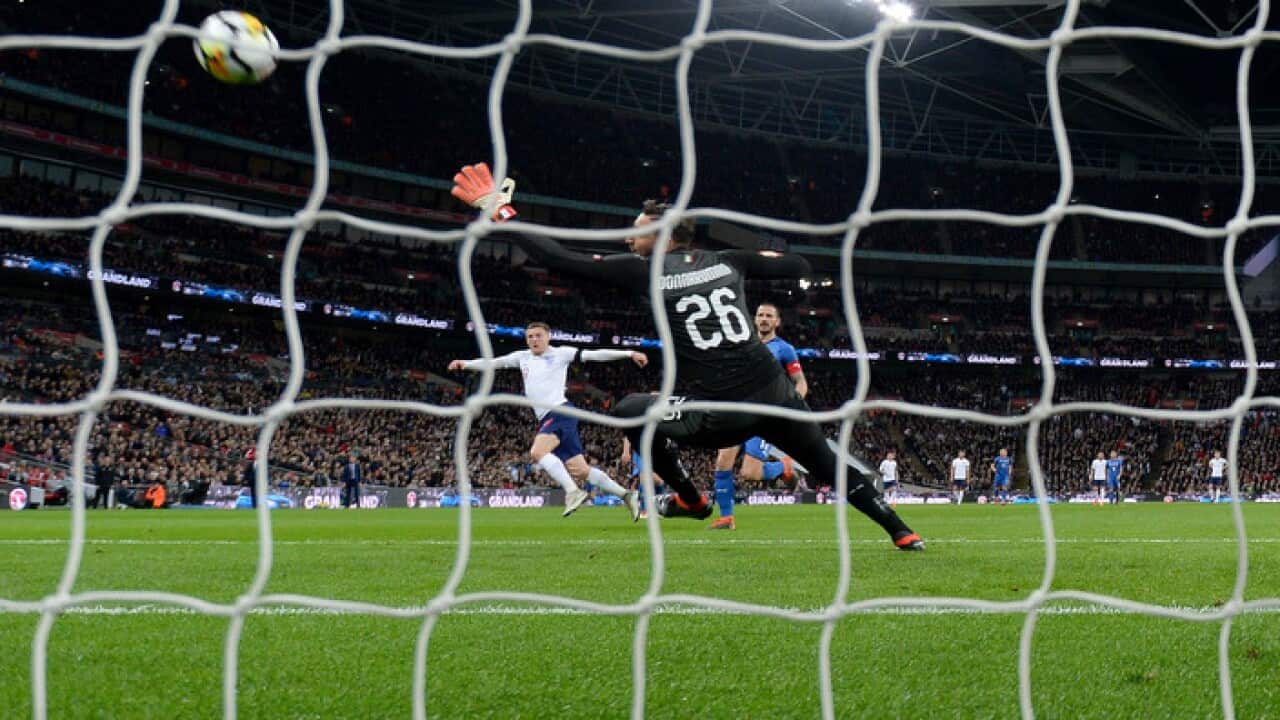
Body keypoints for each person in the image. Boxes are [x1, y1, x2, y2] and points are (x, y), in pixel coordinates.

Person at [451, 163, 922, 550]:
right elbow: (799, 266)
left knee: (633, 410)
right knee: (825, 464)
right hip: (774, 396)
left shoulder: (645, 272)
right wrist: (754, 260)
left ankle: (692, 500)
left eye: (637, 233)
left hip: (717, 413)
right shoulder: (728, 261)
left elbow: (559, 258)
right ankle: (900, 531)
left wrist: (501, 211)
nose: (628, 241)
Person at [448, 321, 644, 520]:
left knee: (537, 452)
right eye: (530, 337)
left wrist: (628, 354)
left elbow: (595, 355)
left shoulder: (561, 353)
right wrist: (466, 364)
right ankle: (627, 495)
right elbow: (493, 362)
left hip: (559, 411)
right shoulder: (521, 357)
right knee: (581, 470)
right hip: (547, 417)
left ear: (548, 337)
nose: (534, 340)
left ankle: (573, 491)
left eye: (538, 335)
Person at [708, 302, 807, 531]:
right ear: (754, 319)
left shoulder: (784, 349)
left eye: (769, 316)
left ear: (777, 322)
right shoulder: (744, 345)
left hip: (763, 416)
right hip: (737, 412)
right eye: (760, 315)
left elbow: (800, 382)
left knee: (749, 474)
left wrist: (792, 404)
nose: (764, 319)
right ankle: (726, 518)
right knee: (722, 462)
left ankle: (783, 467)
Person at [621, 435, 665, 520]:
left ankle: (658, 509)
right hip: (641, 448)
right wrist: (626, 451)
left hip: (655, 448)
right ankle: (645, 511)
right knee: (645, 477)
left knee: (658, 481)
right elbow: (628, 434)